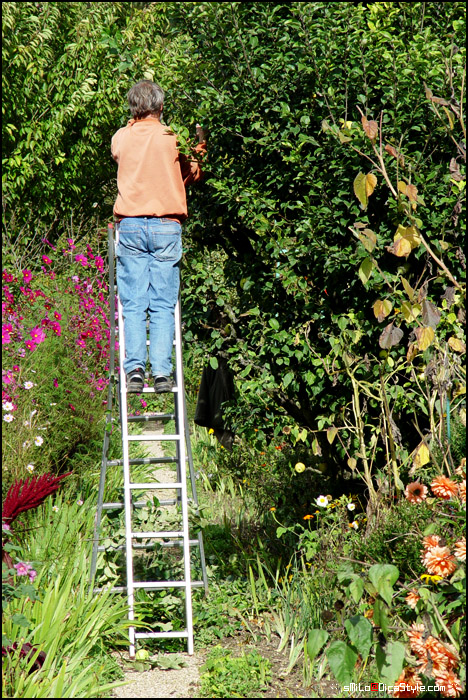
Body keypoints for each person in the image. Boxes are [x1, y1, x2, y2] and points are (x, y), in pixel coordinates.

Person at [111, 80, 205, 393]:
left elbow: (119, 154)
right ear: (160, 106)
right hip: (166, 225)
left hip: (132, 226)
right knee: (163, 305)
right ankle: (163, 373)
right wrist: (198, 151)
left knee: (134, 304)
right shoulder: (170, 137)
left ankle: (135, 370)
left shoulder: (121, 137)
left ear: (133, 107)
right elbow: (191, 174)